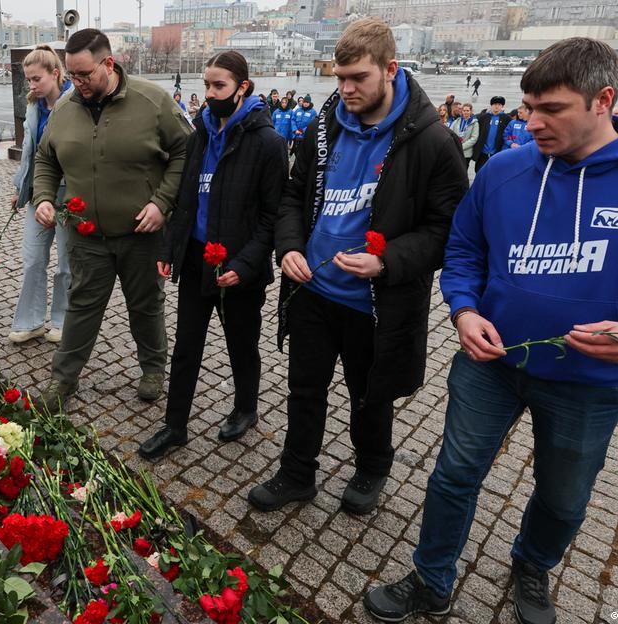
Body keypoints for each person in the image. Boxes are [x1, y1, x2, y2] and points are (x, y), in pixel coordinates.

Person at [363, 37, 618, 624]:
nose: (532, 122)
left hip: (589, 382)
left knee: (563, 496)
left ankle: (532, 564)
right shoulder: (503, 170)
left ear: (604, 100)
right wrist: (465, 310)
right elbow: (465, 250)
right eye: (528, 106)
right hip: (490, 366)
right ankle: (431, 577)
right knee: (453, 475)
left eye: (552, 109)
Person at [247, 17, 467, 515]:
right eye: (338, 78)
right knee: (304, 389)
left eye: (357, 79)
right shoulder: (324, 127)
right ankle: (297, 472)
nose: (345, 89)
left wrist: (386, 259)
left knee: (370, 395)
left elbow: (448, 231)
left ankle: (372, 467)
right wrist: (291, 249)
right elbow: (291, 197)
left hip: (376, 303)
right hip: (312, 290)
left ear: (390, 69)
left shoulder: (433, 141)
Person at [31, 29, 191, 412]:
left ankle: (153, 369)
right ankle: (63, 379)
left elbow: (186, 151)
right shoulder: (65, 109)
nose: (77, 83)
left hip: (142, 233)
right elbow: (44, 159)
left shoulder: (152, 101)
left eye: (84, 74)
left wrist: (162, 202)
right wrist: (42, 198)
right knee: (81, 306)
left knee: (146, 305)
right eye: (71, 75)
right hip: (86, 235)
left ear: (108, 63)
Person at [139, 51, 287, 460]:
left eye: (218, 85)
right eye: (206, 85)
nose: (209, 93)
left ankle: (246, 407)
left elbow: (273, 216)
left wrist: (246, 263)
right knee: (187, 343)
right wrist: (170, 247)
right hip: (195, 258)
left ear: (242, 87)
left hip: (240, 267)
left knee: (242, 343)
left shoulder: (267, 143)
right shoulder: (199, 134)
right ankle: (175, 425)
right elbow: (185, 198)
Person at [9, 45, 74, 345]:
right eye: (28, 80)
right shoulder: (35, 105)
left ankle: (62, 320)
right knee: (33, 258)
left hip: (71, 193)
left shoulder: (76, 101)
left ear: (55, 73)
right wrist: (20, 188)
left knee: (66, 263)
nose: (32, 85)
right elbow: (30, 153)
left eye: (37, 79)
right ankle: (31, 321)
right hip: (39, 192)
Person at [473, 95, 508, 172]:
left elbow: (510, 134)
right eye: (495, 104)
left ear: (502, 106)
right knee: (479, 171)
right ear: (491, 106)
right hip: (483, 152)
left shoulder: (506, 119)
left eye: (499, 105)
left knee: (494, 173)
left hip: (496, 152)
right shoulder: (483, 117)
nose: (497, 107)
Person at [448, 102, 479, 169]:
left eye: (467, 110)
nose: (466, 112)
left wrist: (461, 147)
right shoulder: (457, 121)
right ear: (462, 111)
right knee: (454, 170)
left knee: (463, 171)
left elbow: (474, 138)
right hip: (456, 151)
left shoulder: (474, 123)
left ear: (471, 111)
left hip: (466, 153)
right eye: (464, 110)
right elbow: (450, 133)